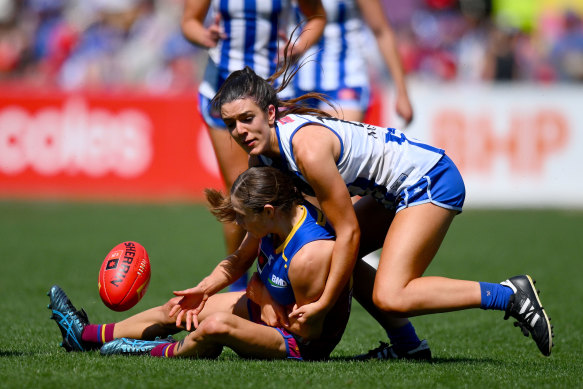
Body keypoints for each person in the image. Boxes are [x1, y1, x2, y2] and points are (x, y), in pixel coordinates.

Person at [208, 63, 555, 359]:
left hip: (428, 179)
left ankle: (509, 295)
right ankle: (409, 347)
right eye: (231, 123)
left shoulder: (306, 149)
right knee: (337, 256)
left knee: (391, 296)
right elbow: (263, 240)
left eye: (246, 118)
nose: (239, 131)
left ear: (270, 113)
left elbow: (349, 232)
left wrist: (324, 304)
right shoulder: (264, 158)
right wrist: (206, 289)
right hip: (392, 192)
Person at [48, 166, 352, 361]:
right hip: (271, 306)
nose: (237, 223)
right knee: (179, 308)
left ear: (268, 211)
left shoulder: (309, 256)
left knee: (215, 325)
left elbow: (308, 330)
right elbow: (237, 263)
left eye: (242, 216)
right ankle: (84, 335)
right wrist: (203, 290)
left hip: (298, 343)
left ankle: (157, 349)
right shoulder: (277, 220)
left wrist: (263, 295)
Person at [181, 0, 327, 291]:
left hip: (271, 94)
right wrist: (203, 35)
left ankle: (291, 271)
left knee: (297, 188)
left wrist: (298, 46)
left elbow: (317, 17)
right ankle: (239, 287)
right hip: (221, 93)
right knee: (241, 191)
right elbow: (189, 21)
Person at [292, 0, 413, 124]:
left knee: (337, 138)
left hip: (345, 78)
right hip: (296, 80)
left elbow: (381, 31)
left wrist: (402, 92)